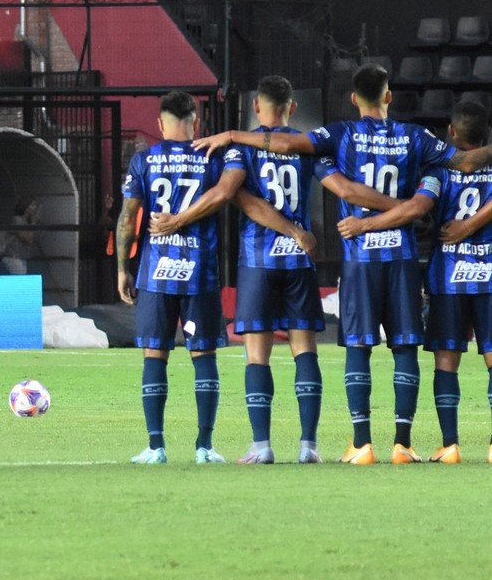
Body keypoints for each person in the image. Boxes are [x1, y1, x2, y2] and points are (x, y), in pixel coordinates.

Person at [195, 64, 492, 464]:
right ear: (389, 97)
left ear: (354, 98)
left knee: (357, 346)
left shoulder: (338, 135)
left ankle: (361, 443)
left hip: (356, 257)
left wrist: (232, 134)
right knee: (404, 346)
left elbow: (289, 149)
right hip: (402, 256)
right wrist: (406, 209)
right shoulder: (416, 137)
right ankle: (402, 444)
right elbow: (466, 163)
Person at [155, 77, 378, 464]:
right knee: (304, 350)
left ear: (257, 107)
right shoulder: (307, 148)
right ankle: (309, 446)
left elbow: (235, 196)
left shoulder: (241, 148)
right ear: (291, 108)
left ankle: (262, 446)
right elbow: (340, 187)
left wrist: (177, 220)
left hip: (259, 260)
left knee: (257, 354)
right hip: (297, 260)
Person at [334, 99, 492, 465]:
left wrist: (364, 223)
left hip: (448, 277)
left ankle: (450, 445)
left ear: (451, 133)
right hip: (488, 275)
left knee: (446, 362)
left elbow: (419, 205)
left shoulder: (438, 170)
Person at [116, 92, 248, 465]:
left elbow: (127, 219)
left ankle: (155, 447)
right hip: (200, 272)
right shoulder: (213, 157)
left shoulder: (144, 160)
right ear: (197, 122)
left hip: (155, 273)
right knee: (203, 355)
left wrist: (123, 269)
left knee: (154, 354)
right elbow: (227, 196)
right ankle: (205, 447)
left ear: (160, 124)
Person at [0, 198, 42, 276]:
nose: (35, 208)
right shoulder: (17, 220)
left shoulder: (25, 222)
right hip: (13, 258)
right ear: (26, 207)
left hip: (19, 258)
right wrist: (33, 222)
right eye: (33, 205)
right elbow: (28, 239)